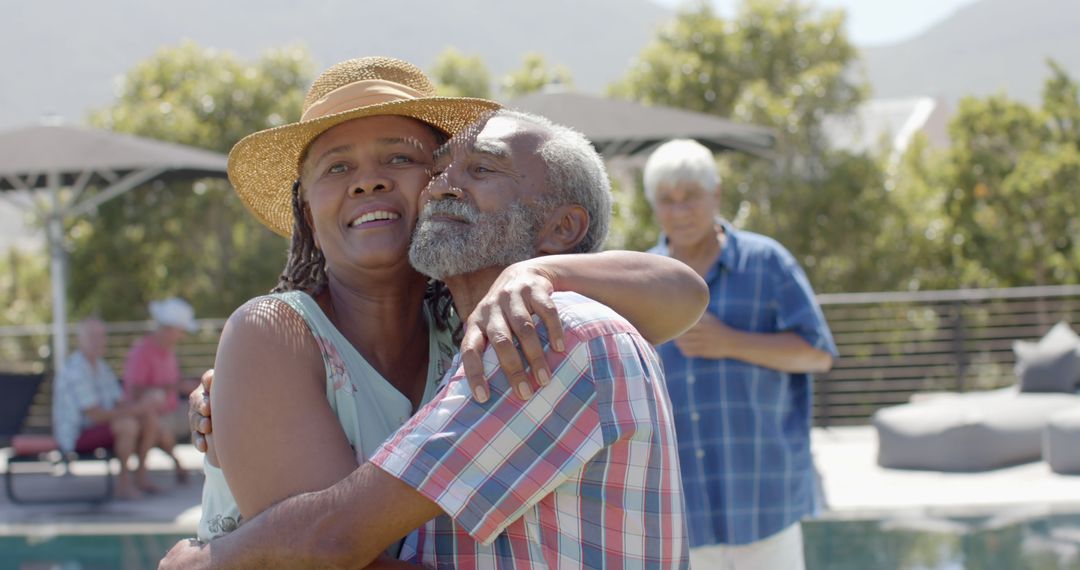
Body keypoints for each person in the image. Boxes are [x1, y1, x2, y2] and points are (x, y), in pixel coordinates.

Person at [166, 57, 704, 564]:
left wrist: (541, 271)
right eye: (336, 166)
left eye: (402, 158)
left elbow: (684, 292)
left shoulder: (501, 337)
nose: (369, 180)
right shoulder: (278, 335)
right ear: (306, 208)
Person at [642, 139, 838, 569]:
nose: (680, 211)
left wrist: (730, 342)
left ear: (716, 194)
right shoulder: (641, 279)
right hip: (680, 504)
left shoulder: (767, 261)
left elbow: (818, 353)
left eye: (690, 196)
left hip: (764, 498)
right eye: (667, 200)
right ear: (653, 207)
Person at [52, 318, 164, 499]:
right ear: (80, 340)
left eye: (102, 336)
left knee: (148, 417)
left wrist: (146, 404)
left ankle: (141, 477)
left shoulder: (101, 367)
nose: (99, 341)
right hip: (75, 436)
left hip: (100, 428)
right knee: (127, 424)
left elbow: (120, 403)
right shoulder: (75, 369)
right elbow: (95, 415)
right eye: (93, 336)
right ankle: (123, 485)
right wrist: (138, 408)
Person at [123, 296, 200, 486]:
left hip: (172, 411)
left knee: (212, 409)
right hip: (152, 415)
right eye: (180, 331)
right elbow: (134, 392)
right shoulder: (141, 352)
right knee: (158, 424)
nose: (182, 336)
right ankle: (166, 468)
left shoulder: (169, 352)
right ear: (169, 329)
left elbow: (171, 384)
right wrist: (175, 387)